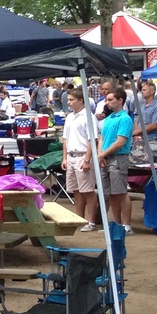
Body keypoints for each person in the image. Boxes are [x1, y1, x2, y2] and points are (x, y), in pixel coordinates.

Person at [62, 88, 99, 231]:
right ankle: (79, 218)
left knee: (88, 190)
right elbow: (65, 138)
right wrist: (64, 158)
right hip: (71, 155)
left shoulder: (89, 117)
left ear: (81, 100)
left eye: (72, 100)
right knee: (76, 190)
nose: (69, 103)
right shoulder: (70, 117)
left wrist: (87, 160)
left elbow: (92, 139)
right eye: (68, 100)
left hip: (83, 155)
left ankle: (91, 221)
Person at [97, 88, 134, 229]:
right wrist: (100, 154)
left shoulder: (125, 119)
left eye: (110, 99)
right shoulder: (108, 119)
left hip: (118, 158)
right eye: (107, 100)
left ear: (120, 100)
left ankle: (126, 225)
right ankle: (117, 224)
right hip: (105, 157)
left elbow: (120, 142)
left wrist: (102, 154)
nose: (107, 102)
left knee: (121, 192)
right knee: (110, 193)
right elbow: (101, 138)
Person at [133, 80, 157, 144]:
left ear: (152, 92)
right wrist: (136, 133)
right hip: (141, 139)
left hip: (152, 140)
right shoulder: (143, 106)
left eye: (144, 90)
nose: (142, 92)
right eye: (142, 90)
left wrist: (138, 131)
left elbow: (154, 125)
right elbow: (137, 120)